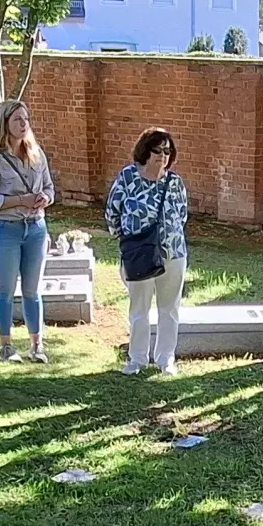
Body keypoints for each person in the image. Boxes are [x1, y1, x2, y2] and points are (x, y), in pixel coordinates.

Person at [105, 128, 190, 376]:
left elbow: (182, 214)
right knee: (139, 308)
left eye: (167, 151)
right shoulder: (128, 177)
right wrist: (128, 240)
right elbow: (112, 212)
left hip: (172, 252)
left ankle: (166, 358)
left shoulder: (175, 183)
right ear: (145, 151)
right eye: (157, 150)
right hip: (139, 253)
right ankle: (137, 359)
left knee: (169, 307)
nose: (162, 156)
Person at [0, 100, 54, 363]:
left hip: (35, 227)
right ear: (4, 124)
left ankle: (37, 345)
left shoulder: (36, 153)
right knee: (6, 288)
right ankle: (6, 346)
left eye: (26, 119)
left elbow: (49, 187)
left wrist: (44, 198)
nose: (23, 124)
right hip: (4, 228)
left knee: (33, 289)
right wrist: (19, 201)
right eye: (17, 120)